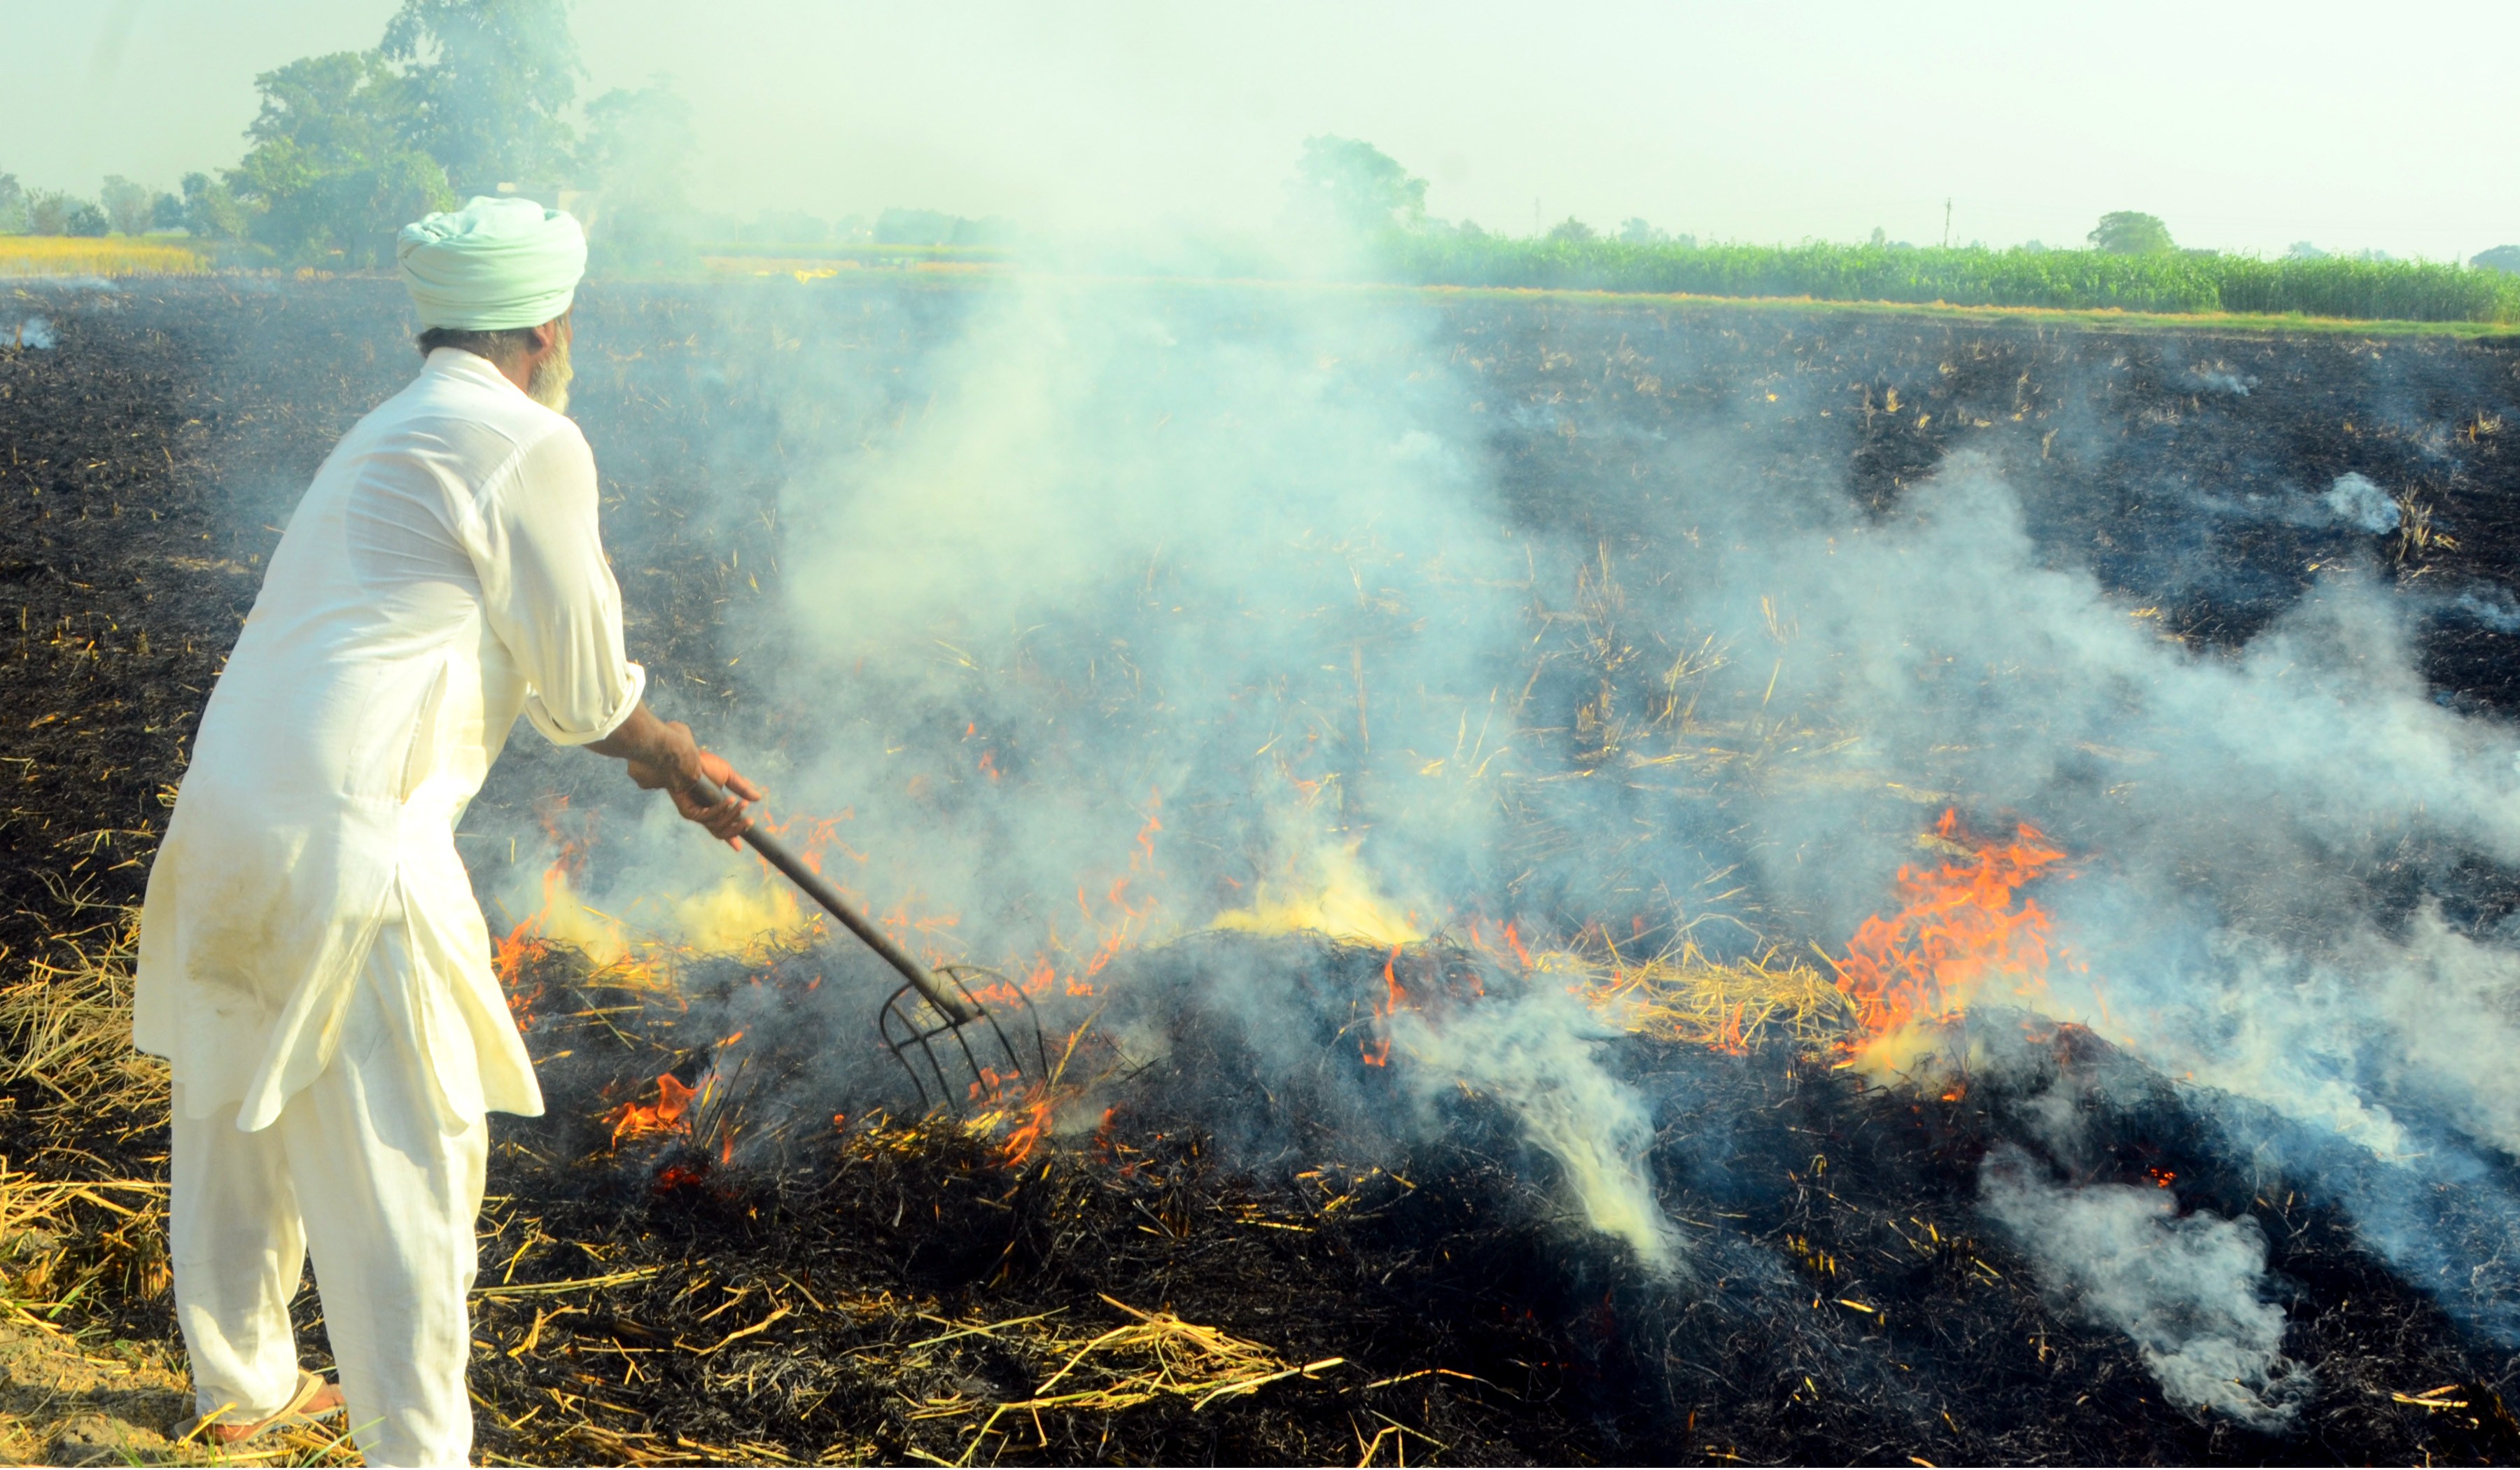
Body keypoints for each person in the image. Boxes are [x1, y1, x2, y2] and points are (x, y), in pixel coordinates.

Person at [132, 196, 760, 1465]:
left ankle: (243, 1387)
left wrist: (650, 753)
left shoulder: (384, 429)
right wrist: (678, 760)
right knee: (409, 1151)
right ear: (549, 323)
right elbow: (584, 689)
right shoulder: (531, 440)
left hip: (227, 807)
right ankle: (418, 1451)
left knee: (237, 1100)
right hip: (354, 834)